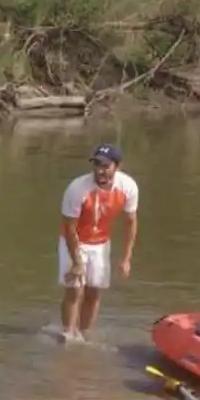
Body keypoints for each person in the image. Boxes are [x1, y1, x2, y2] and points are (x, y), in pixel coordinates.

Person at [58, 143, 139, 342]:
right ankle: (68, 335)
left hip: (101, 242)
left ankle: (85, 334)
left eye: (105, 166)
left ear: (117, 166)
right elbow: (69, 227)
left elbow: (130, 222)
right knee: (74, 289)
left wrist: (126, 259)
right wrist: (77, 262)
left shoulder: (128, 187)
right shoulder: (77, 189)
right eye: (96, 165)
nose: (100, 170)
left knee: (94, 291)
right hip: (75, 240)